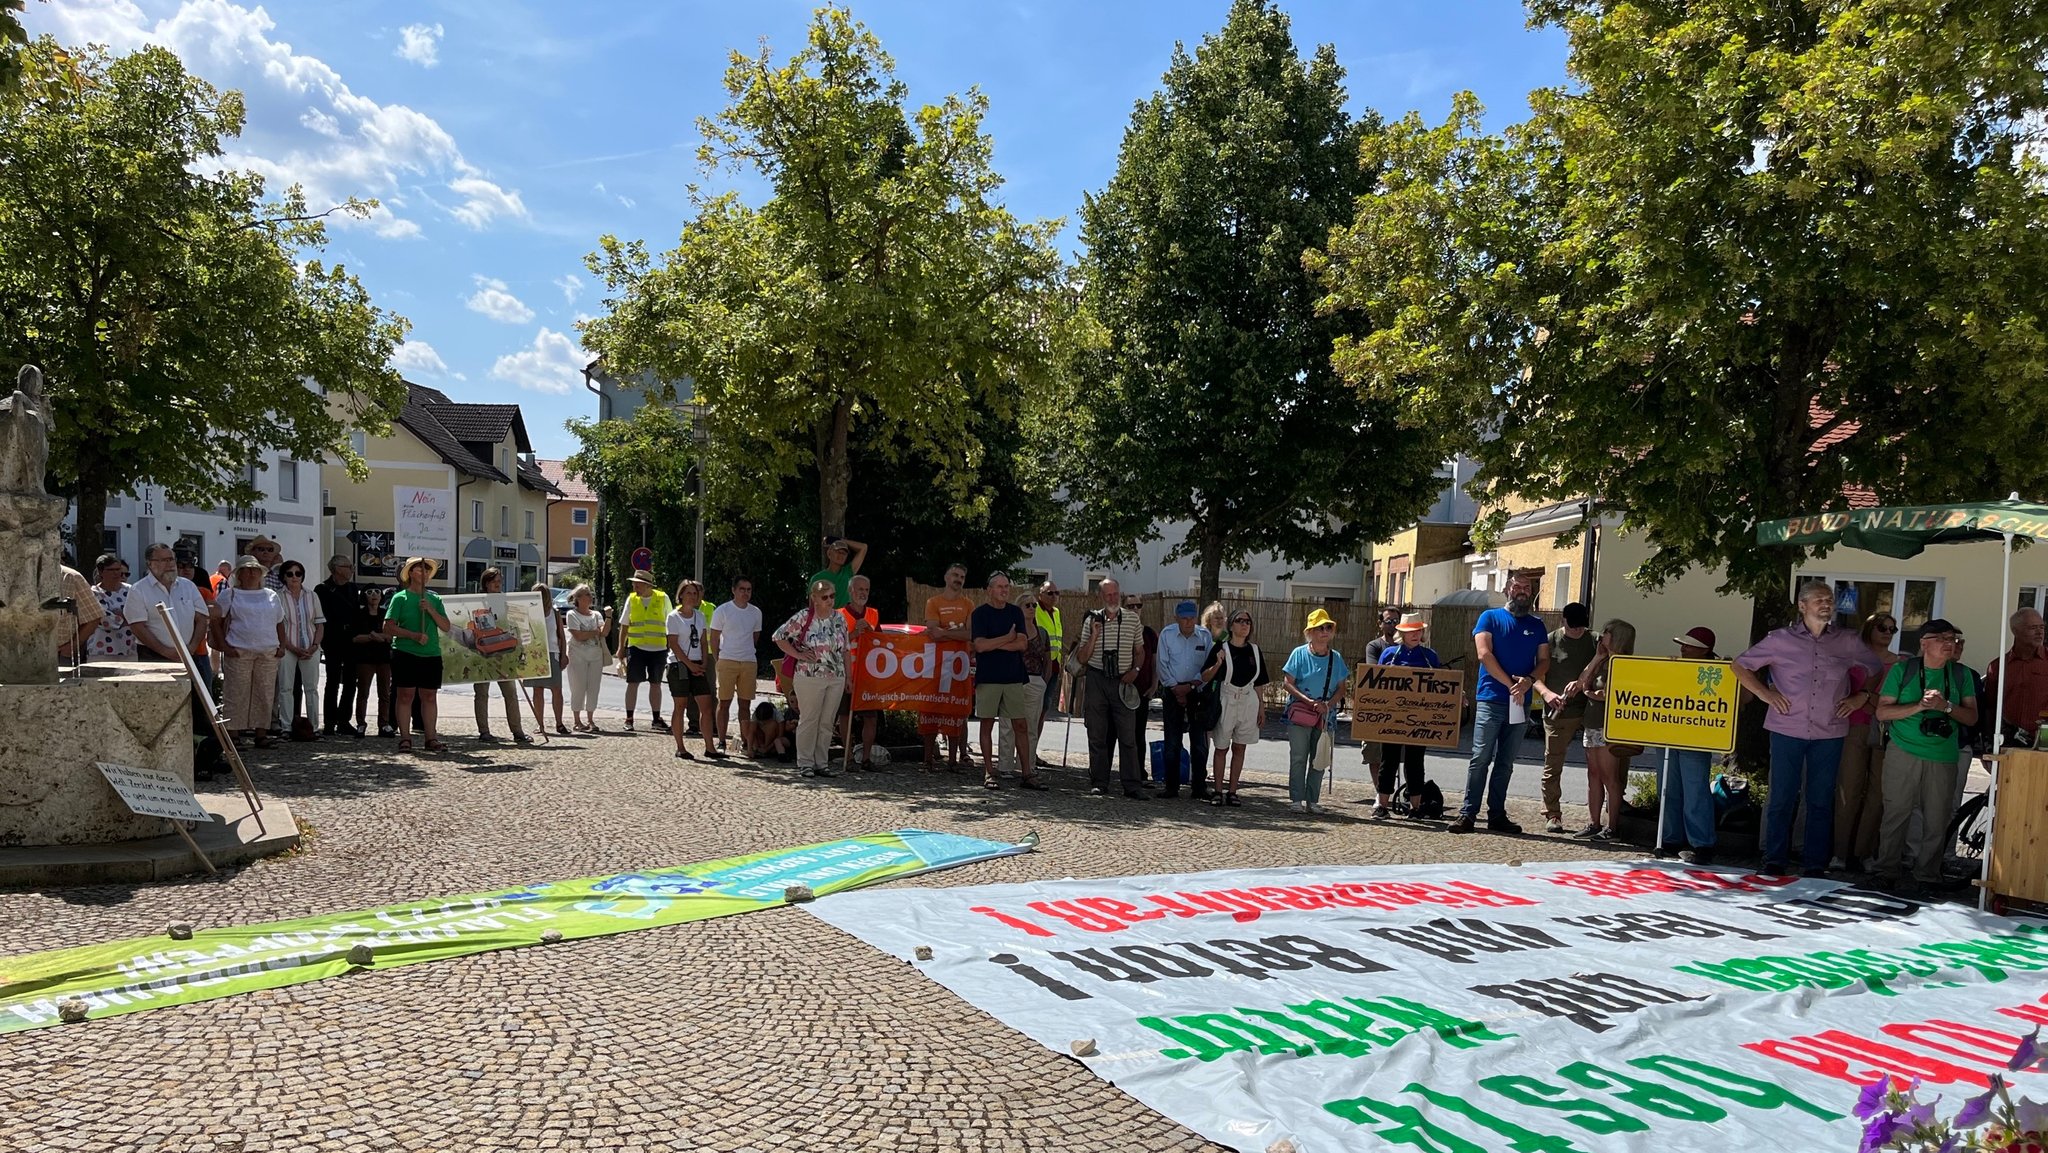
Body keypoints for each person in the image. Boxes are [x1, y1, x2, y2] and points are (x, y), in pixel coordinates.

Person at [1731, 580, 1885, 875]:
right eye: (1818, 599)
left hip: (1830, 730)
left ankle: (1815, 864)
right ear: (1802, 606)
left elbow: (1875, 669)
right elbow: (1740, 665)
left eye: (1829, 599)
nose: (1826, 603)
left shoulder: (1848, 640)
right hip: (1787, 728)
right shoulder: (1779, 640)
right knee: (1781, 797)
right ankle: (1774, 860)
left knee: (1820, 799)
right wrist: (1766, 694)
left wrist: (1861, 696)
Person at [1871, 618, 1977, 896]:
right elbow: (1882, 712)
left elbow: (1971, 717)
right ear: (1924, 643)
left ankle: (1928, 874)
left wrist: (1946, 707)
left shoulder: (1961, 674)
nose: (1949, 644)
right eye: (1943, 638)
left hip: (1943, 754)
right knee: (1896, 813)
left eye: (1953, 638)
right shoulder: (1902, 671)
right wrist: (1919, 705)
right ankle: (1887, 871)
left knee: (1937, 817)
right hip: (1903, 751)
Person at [1452, 576, 1550, 834]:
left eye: (1527, 588)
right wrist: (1511, 685)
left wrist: (1528, 682)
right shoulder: (1490, 617)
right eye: (1516, 587)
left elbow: (1544, 661)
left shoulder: (1537, 625)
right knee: (1480, 758)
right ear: (1507, 589)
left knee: (1506, 762)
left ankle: (1497, 813)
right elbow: (1484, 654)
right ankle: (1468, 814)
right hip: (1491, 698)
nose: (1521, 592)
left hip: (1520, 702)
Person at [125, 542, 215, 744]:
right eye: (163, 560)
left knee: (200, 709)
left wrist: (191, 647)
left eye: (171, 559)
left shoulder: (188, 586)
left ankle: (202, 758)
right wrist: (166, 651)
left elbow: (202, 618)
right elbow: (138, 626)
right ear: (150, 563)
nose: (170, 564)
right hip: (155, 657)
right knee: (161, 709)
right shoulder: (139, 591)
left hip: (191, 656)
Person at [1830, 613, 1900, 871]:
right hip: (1854, 726)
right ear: (1869, 628)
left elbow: (1898, 698)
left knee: (1877, 794)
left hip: (1886, 728)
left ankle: (1864, 853)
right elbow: (1841, 692)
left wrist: (1867, 698)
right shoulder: (1852, 660)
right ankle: (1839, 853)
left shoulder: (1901, 663)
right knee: (1848, 789)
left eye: (1893, 628)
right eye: (1882, 627)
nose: (1888, 632)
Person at [970, 571, 1051, 791]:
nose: (1004, 590)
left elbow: (1022, 644)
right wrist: (1007, 638)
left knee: (1021, 725)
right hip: (989, 678)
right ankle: (989, 771)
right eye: (1000, 587)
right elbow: (979, 646)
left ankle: (1027, 773)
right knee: (987, 724)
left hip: (1014, 677)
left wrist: (994, 644)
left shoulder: (1015, 613)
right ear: (990, 590)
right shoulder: (980, 614)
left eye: (1007, 586)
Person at [1071, 577, 1145, 798]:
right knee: (1097, 734)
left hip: (1123, 679)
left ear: (1120, 594)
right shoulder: (1091, 620)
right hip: (1097, 679)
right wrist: (1094, 635)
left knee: (1128, 735)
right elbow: (1082, 658)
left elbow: (1140, 651)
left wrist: (1136, 671)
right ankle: (1099, 782)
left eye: (1115, 594)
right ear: (1100, 597)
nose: (1112, 598)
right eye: (1108, 595)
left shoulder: (1132, 619)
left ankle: (1132, 785)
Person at [774, 579, 852, 778]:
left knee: (827, 721)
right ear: (814, 598)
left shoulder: (839, 618)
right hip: (809, 675)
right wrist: (798, 655)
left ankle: (821, 763)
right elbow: (778, 636)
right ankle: (805, 762)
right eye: (825, 597)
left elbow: (846, 650)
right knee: (809, 719)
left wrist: (848, 677)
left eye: (832, 596)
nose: (830, 600)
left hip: (836, 676)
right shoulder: (804, 617)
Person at [1658, 626, 1722, 864]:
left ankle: (1702, 843)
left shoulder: (1716, 672)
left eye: (1688, 645)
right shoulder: (1675, 666)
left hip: (1697, 737)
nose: (1683, 649)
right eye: (1682, 644)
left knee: (1695, 790)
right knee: (1668, 787)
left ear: (1704, 650)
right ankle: (1671, 838)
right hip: (1668, 732)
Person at [1534, 602, 1598, 833]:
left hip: (1589, 710)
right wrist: (1547, 693)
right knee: (1553, 763)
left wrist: (1582, 682)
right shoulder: (1549, 641)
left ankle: (1602, 815)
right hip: (1558, 711)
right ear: (1563, 621)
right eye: (1573, 628)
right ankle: (1552, 813)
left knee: (1600, 764)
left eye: (1581, 628)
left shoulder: (1594, 640)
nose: (1577, 631)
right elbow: (1535, 675)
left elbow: (1606, 656)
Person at [1374, 612, 1442, 819]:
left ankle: (1415, 808)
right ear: (1401, 633)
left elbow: (1442, 685)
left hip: (1419, 718)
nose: (1415, 634)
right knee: (1388, 761)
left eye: (1418, 630)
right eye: (1411, 631)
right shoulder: (1389, 655)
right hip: (1392, 717)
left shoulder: (1430, 656)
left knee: (1415, 762)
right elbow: (1376, 683)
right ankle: (1382, 805)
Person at [213, 556, 285, 748]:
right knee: (236, 693)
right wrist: (224, 646)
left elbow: (279, 622)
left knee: (264, 693)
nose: (252, 572)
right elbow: (216, 622)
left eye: (255, 569)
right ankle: (233, 734)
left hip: (267, 651)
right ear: (239, 574)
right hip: (239, 650)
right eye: (247, 569)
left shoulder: (271, 595)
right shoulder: (230, 594)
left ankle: (261, 733)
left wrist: (282, 645)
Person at [1574, 619, 1636, 841]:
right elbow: (1582, 682)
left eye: (1608, 631)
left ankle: (1612, 827)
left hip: (1609, 727)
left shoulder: (1625, 663)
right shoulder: (1602, 661)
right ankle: (1594, 822)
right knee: (1593, 775)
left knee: (1611, 777)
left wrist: (1591, 693)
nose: (1602, 634)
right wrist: (1598, 657)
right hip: (1591, 723)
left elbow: (1611, 694)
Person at [1282, 608, 1349, 814]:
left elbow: (1342, 688)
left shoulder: (1336, 658)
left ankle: (1313, 800)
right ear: (1310, 632)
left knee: (1319, 758)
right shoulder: (1299, 654)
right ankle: (1296, 799)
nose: (1325, 631)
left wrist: (1327, 705)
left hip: (1324, 716)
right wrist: (1309, 701)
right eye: (1320, 627)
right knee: (1299, 757)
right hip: (1301, 713)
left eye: (1328, 627)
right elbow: (1287, 683)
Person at [1202, 607, 1268, 808]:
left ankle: (1233, 791)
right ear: (1231, 625)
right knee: (1221, 747)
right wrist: (1218, 663)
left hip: (1248, 700)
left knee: (1240, 746)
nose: (1244, 625)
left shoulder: (1255, 651)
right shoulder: (1221, 648)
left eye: (1247, 621)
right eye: (1240, 621)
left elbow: (1259, 682)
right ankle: (1218, 791)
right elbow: (1204, 676)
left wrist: (1261, 708)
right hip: (1227, 698)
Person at [385, 556, 452, 754]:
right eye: (420, 569)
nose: (424, 573)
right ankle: (405, 737)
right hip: (406, 652)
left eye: (426, 570)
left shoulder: (435, 599)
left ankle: (431, 737)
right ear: (411, 573)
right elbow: (388, 627)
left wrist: (430, 609)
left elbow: (446, 626)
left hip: (431, 654)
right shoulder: (400, 598)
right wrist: (412, 635)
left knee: (429, 696)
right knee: (405, 695)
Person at [1155, 599, 1214, 800]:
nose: (1188, 622)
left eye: (1191, 618)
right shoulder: (1167, 635)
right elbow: (1162, 664)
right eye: (1184, 618)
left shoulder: (1204, 636)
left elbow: (1208, 666)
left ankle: (1199, 786)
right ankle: (1171, 786)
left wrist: (1190, 687)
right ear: (1176, 618)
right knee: (1172, 741)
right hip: (1173, 691)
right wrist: (1175, 688)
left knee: (1199, 742)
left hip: (1197, 691)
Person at [921, 563, 974, 772]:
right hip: (935, 664)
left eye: (962, 576)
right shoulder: (933, 602)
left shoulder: (969, 604)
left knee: (956, 710)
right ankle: (927, 759)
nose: (958, 579)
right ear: (946, 577)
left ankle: (953, 760)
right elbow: (932, 631)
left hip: (959, 665)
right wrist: (954, 632)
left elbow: (970, 634)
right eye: (955, 574)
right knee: (930, 709)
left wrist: (944, 633)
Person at [996, 585, 1052, 783]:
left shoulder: (1042, 632)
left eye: (1034, 605)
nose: (1031, 608)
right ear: (1018, 608)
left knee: (1030, 726)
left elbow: (1048, 661)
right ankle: (1004, 766)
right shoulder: (1010, 630)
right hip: (1012, 680)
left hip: (1035, 680)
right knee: (1007, 725)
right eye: (1027, 605)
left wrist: (1044, 682)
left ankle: (1027, 765)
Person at [469, 568, 530, 744]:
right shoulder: (477, 601)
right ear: (486, 583)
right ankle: (484, 731)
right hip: (484, 652)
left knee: (510, 692)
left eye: (499, 581)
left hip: (503, 652)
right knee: (481, 692)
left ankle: (517, 731)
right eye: (494, 581)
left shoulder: (505, 601)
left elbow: (514, 623)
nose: (497, 583)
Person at [665, 579, 719, 761]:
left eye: (695, 593)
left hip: (697, 664)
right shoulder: (673, 617)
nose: (692, 596)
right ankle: (680, 747)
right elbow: (674, 645)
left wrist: (703, 663)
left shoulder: (700, 616)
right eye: (688, 593)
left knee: (706, 705)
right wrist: (690, 665)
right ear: (681, 595)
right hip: (679, 665)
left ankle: (710, 747)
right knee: (680, 706)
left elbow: (704, 642)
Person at [710, 575, 764, 756]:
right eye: (742, 589)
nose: (745, 593)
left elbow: (755, 637)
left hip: (748, 661)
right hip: (727, 660)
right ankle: (722, 740)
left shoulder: (756, 612)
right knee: (724, 701)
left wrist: (747, 652)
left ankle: (746, 742)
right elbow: (714, 638)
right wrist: (719, 658)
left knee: (745, 704)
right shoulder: (722, 610)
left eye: (748, 590)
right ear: (734, 590)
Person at [271, 560, 325, 737]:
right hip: (287, 647)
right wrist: (292, 647)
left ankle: (313, 727)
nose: (294, 577)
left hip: (311, 646)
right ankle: (286, 727)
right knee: (286, 688)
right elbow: (277, 625)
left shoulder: (312, 595)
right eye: (290, 574)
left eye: (298, 573)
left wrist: (315, 646)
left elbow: (319, 624)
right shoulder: (277, 596)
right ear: (284, 577)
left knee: (312, 688)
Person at [615, 569, 672, 733]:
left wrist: (671, 647)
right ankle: (629, 718)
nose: (634, 586)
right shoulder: (632, 599)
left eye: (637, 584)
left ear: (647, 585)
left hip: (658, 649)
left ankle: (656, 718)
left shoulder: (663, 598)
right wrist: (621, 648)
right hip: (636, 647)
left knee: (656, 684)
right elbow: (624, 625)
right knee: (632, 683)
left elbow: (671, 622)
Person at [315, 556, 367, 737]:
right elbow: (323, 617)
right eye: (348, 566)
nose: (352, 569)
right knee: (333, 681)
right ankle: (329, 721)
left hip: (352, 640)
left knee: (351, 682)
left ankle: (344, 720)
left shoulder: (353, 588)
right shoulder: (322, 590)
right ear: (336, 569)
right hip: (333, 640)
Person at [1983, 607, 2048, 748]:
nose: (2040, 632)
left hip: (2043, 742)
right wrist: (1987, 742)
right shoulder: (1998, 666)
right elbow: (1989, 707)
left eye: (2042, 627)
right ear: (2016, 631)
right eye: (2033, 628)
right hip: (2008, 742)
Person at [839, 575, 881, 769]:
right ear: (850, 591)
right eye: (859, 589)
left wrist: (871, 631)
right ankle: (847, 757)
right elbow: (833, 644)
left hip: (868, 676)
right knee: (845, 716)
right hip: (845, 673)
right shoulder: (839, 615)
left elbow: (883, 643)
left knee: (871, 717)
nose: (863, 593)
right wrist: (854, 633)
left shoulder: (873, 614)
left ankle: (865, 758)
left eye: (866, 589)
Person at [562, 585, 609, 733]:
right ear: (579, 599)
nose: (590, 598)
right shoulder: (572, 614)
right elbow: (578, 635)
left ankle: (590, 719)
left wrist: (609, 617)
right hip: (577, 655)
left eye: (590, 595)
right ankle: (577, 720)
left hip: (595, 655)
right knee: (578, 687)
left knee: (594, 687)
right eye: (587, 595)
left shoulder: (596, 614)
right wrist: (594, 631)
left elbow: (604, 633)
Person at [1362, 607, 1402, 777]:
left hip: (1401, 707)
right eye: (1388, 621)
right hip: (1378, 706)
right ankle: (1380, 793)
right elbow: (1373, 672)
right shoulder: (1374, 646)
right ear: (1380, 624)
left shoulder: (1408, 647)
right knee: (1374, 753)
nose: (1392, 625)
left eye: (1396, 621)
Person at [526, 583, 568, 737]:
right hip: (536, 654)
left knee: (556, 689)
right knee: (538, 690)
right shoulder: (529, 612)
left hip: (553, 652)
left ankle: (559, 722)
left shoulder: (554, 613)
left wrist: (564, 654)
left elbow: (561, 636)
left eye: (541, 594)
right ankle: (540, 724)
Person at [353, 586, 394, 737]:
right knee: (363, 692)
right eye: (369, 592)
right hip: (365, 659)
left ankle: (384, 724)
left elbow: (391, 636)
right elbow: (355, 637)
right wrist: (371, 637)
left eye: (377, 592)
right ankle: (361, 723)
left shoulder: (386, 614)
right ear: (364, 596)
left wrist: (379, 636)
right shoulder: (359, 615)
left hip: (383, 658)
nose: (374, 595)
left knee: (384, 693)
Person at [86, 552, 136, 661]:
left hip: (129, 649)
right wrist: (127, 616)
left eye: (118, 570)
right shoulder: (93, 593)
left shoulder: (131, 590)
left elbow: (138, 615)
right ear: (101, 572)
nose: (116, 573)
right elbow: (106, 620)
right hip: (101, 650)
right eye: (111, 570)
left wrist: (120, 614)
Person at [1036, 581, 1066, 730]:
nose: (1054, 596)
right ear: (1040, 595)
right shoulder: (1034, 610)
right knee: (1033, 708)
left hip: (1054, 667)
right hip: (1038, 666)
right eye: (1050, 593)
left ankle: (1033, 748)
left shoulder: (1056, 612)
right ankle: (1025, 750)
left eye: (1056, 593)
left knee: (1044, 708)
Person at [811, 536, 869, 609]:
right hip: (825, 617)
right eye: (838, 552)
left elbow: (863, 547)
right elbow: (812, 606)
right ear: (829, 554)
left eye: (844, 553)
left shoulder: (848, 572)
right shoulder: (817, 578)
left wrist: (840, 540)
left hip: (845, 617)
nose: (841, 555)